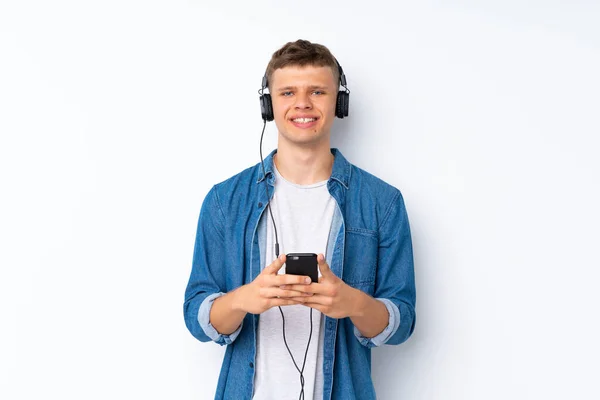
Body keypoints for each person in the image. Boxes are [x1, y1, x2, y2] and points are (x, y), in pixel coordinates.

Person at [183, 39, 416, 400]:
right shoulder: (224, 201)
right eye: (288, 91)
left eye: (318, 91)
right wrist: (245, 298)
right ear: (268, 104)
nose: (303, 103)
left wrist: (352, 303)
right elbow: (197, 318)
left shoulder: (382, 202)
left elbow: (401, 322)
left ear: (338, 102)